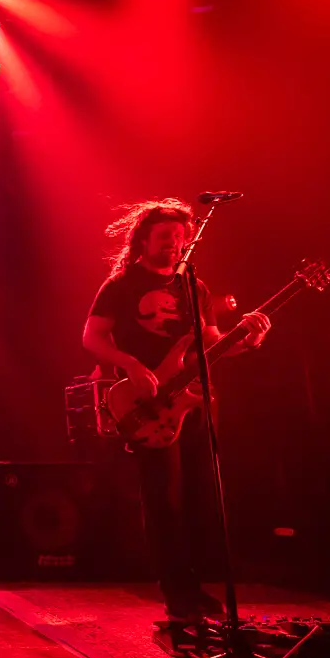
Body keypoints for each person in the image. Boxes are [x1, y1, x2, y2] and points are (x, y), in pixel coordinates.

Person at [81, 198, 270, 623]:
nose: (175, 243)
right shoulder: (122, 284)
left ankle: (198, 587)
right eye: (165, 236)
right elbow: (92, 336)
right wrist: (131, 366)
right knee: (164, 499)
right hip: (150, 403)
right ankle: (176, 592)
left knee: (203, 494)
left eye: (180, 236)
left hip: (196, 400)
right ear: (144, 240)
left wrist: (249, 340)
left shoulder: (194, 287)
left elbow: (212, 343)